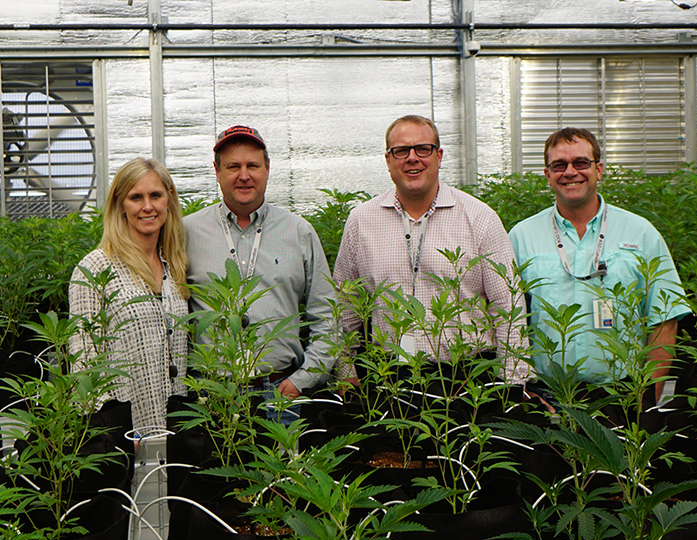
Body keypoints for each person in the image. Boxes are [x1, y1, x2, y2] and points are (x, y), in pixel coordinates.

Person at [332, 115, 529, 388]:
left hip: (467, 376)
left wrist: (513, 384)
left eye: (422, 149)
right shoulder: (361, 221)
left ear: (438, 156)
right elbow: (345, 306)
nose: (412, 158)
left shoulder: (479, 217)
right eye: (401, 151)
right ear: (388, 161)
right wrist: (345, 371)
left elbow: (508, 306)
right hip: (388, 375)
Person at [508, 128, 690, 401]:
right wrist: (524, 392)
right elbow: (505, 322)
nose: (570, 172)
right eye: (559, 165)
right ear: (547, 175)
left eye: (581, 163)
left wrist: (650, 397)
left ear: (599, 170)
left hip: (624, 394)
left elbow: (664, 319)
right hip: (547, 397)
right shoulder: (521, 237)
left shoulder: (640, 233)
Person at [183, 125, 335, 405]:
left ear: (267, 168)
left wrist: (303, 380)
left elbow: (327, 315)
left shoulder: (298, 232)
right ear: (217, 172)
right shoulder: (187, 233)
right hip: (212, 395)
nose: (244, 176)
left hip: (282, 392)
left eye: (252, 165)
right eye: (233, 166)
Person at [70, 157, 189, 436]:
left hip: (178, 431)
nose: (147, 206)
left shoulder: (175, 264)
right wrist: (111, 433)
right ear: (120, 205)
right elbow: (83, 362)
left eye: (156, 195)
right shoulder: (95, 268)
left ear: (169, 200)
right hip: (126, 434)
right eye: (136, 197)